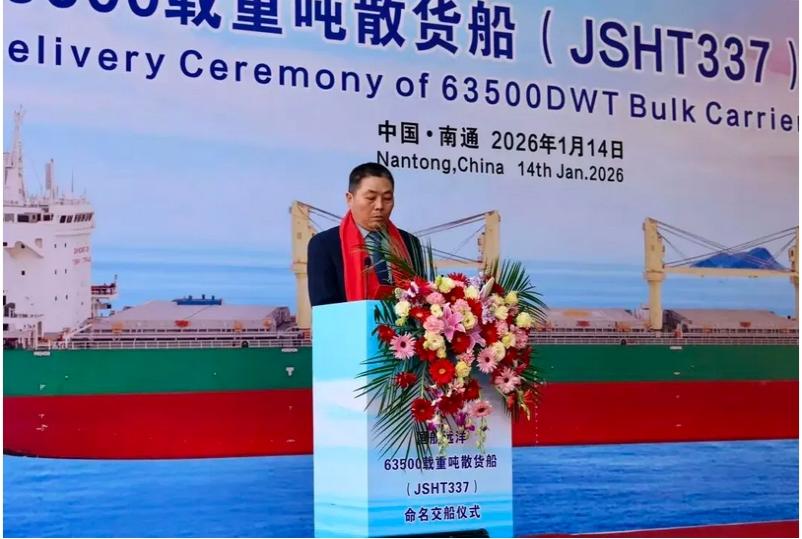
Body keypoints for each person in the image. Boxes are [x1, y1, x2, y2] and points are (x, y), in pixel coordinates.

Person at [307, 163, 423, 307]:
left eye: (387, 198)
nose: (379, 206)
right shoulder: (324, 245)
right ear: (350, 199)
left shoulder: (409, 243)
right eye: (370, 198)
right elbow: (323, 307)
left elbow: (422, 296)